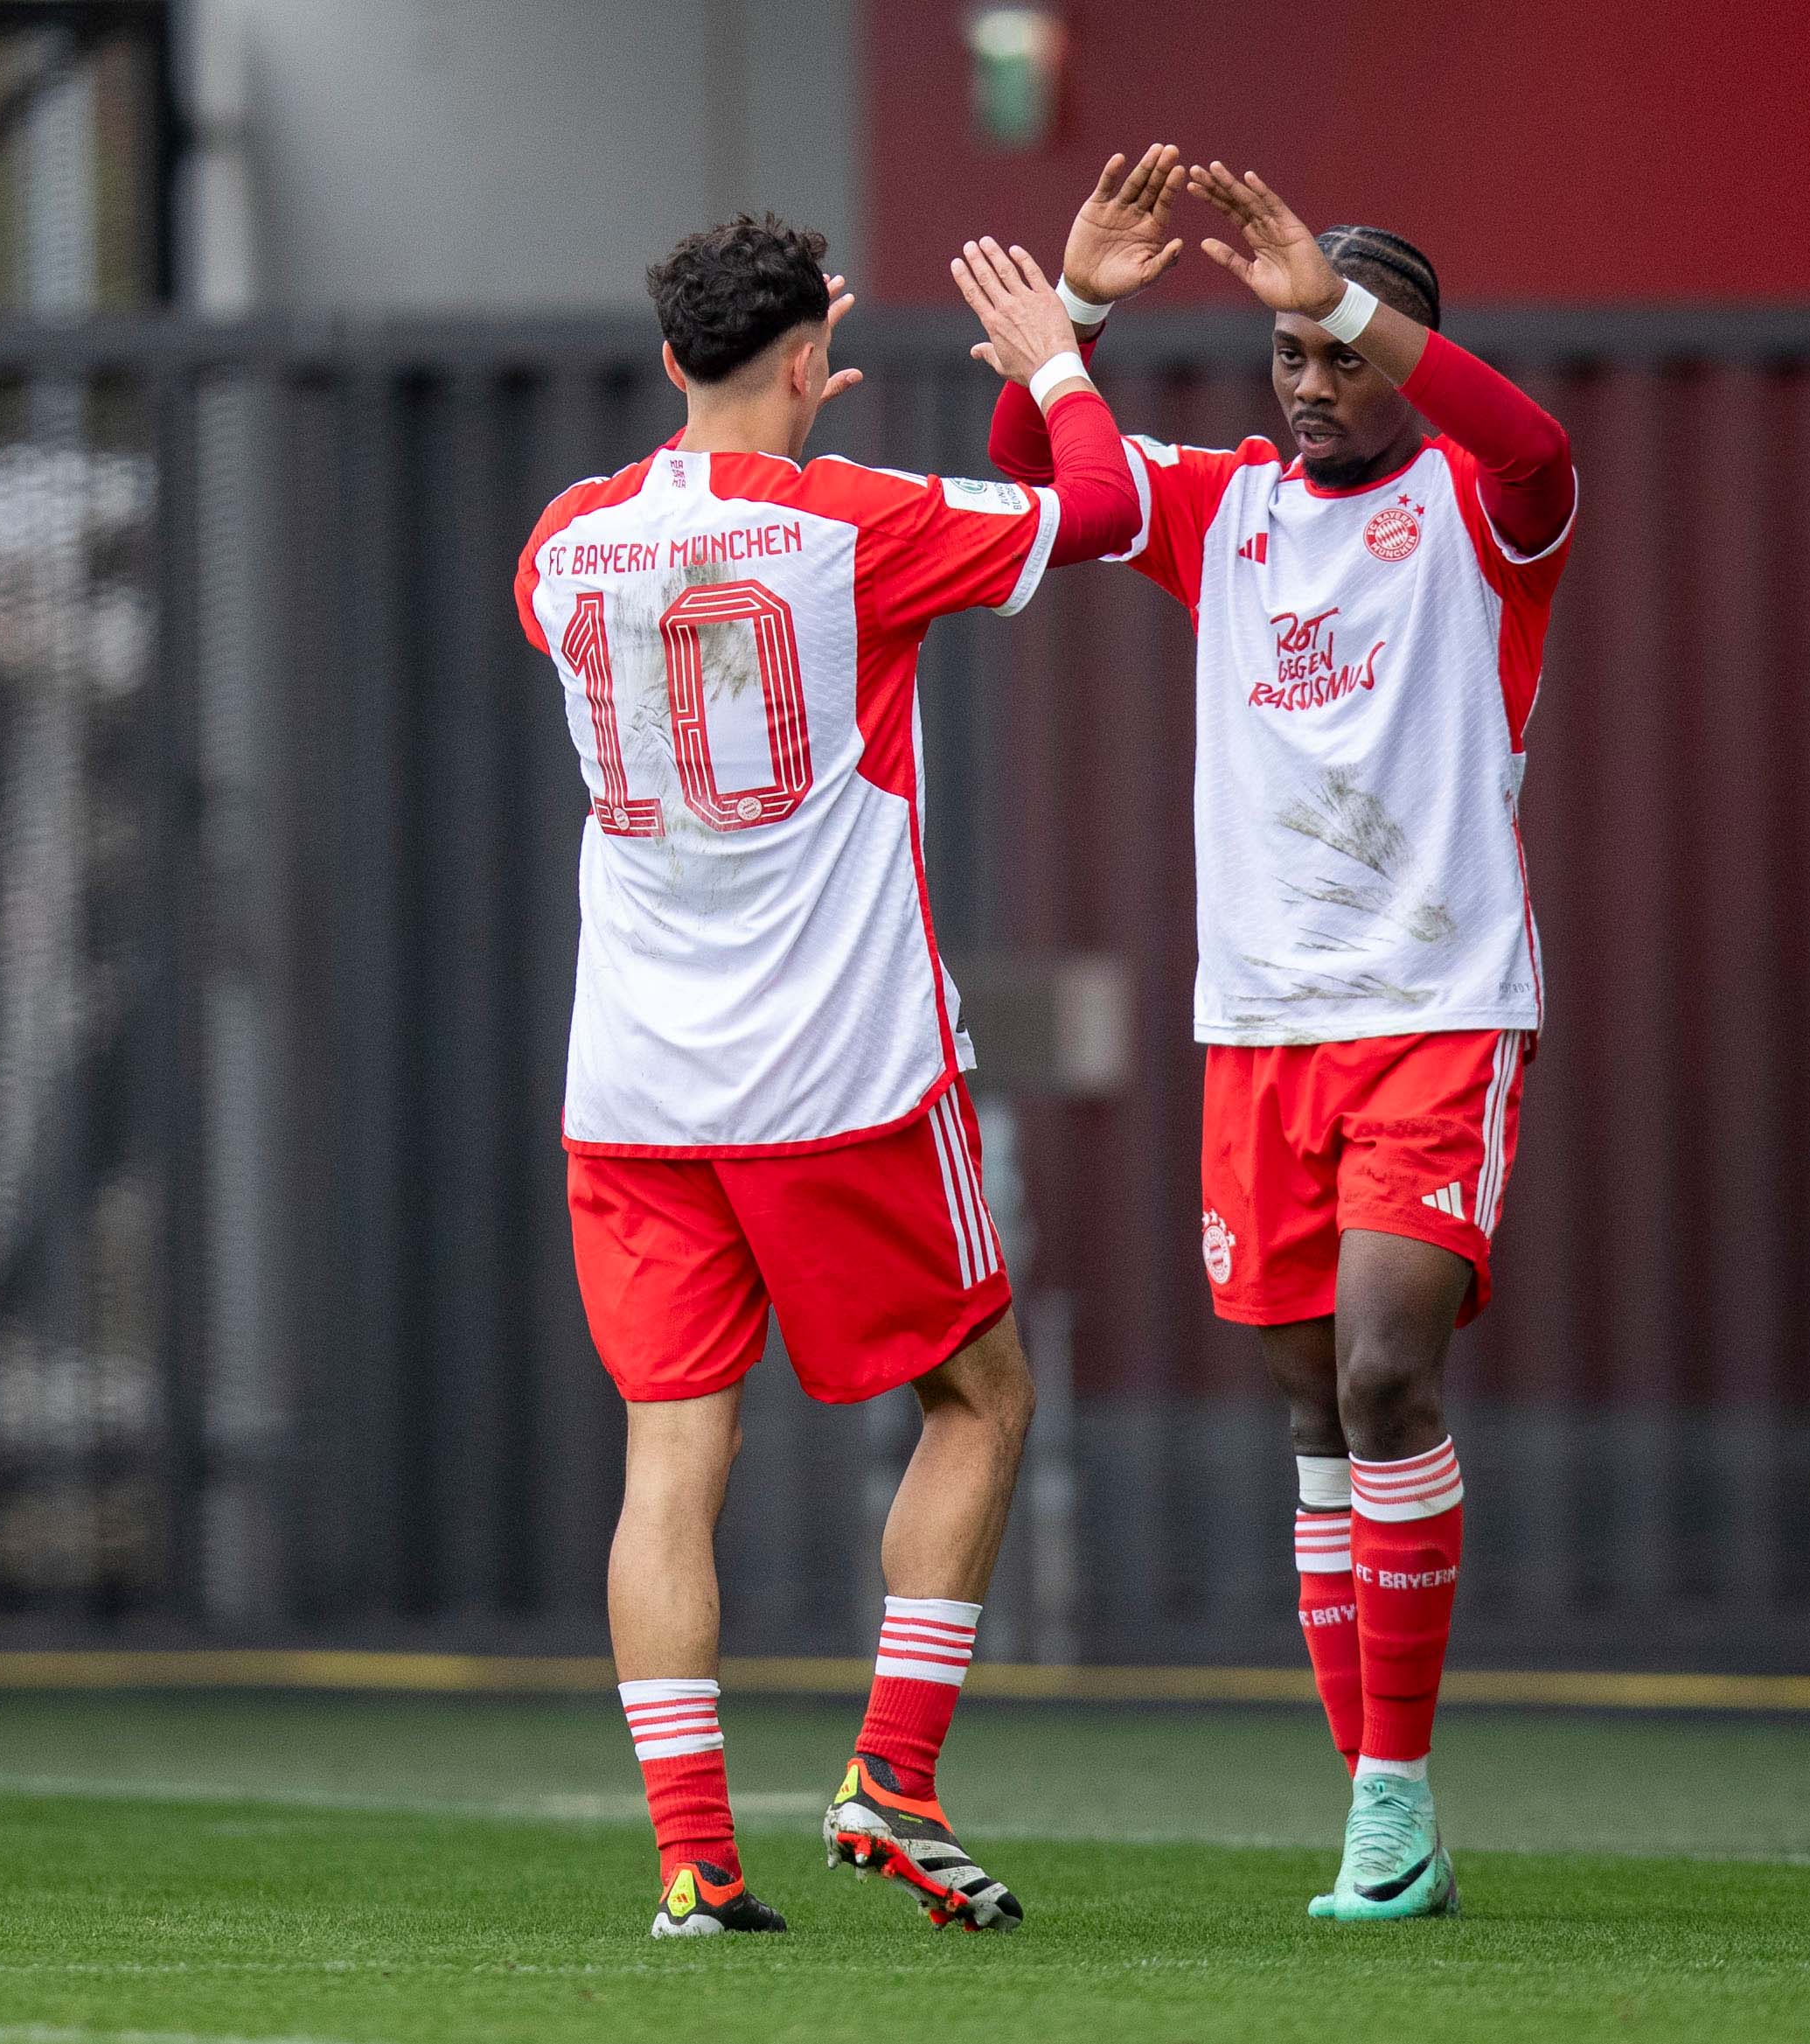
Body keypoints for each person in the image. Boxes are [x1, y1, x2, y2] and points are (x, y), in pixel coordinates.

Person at [512, 215, 1138, 1936]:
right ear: (812, 358)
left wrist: (766, 424)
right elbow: (1092, 509)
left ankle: (693, 1861)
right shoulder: (853, 521)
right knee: (984, 1399)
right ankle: (892, 1772)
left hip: (635, 1086)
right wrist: (1059, 354)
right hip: (837, 1075)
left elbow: (681, 599)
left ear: (667, 362)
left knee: (667, 1462)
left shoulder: (560, 546)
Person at [987, 149, 1577, 1922]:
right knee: (1319, 1419)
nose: (1311, 382)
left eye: (1337, 349)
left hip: (1437, 1009)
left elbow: (1542, 446)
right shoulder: (1224, 506)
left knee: (1394, 1368)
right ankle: (1380, 1808)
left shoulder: (1485, 507)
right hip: (1256, 1028)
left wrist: (1331, 285)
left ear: (1399, 350)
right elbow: (1045, 481)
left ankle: (1388, 1797)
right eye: (1289, 356)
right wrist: (1075, 318)